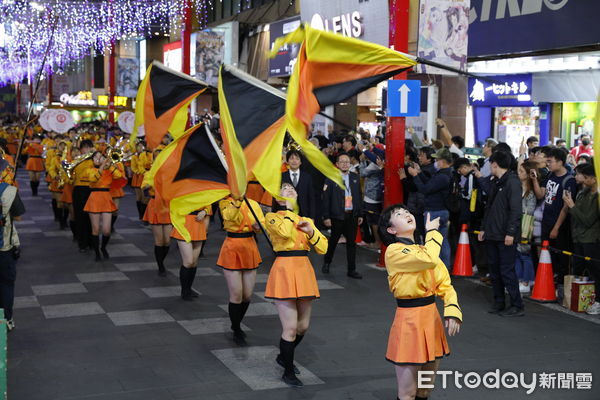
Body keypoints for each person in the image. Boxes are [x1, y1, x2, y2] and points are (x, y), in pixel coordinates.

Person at [379, 206, 462, 400]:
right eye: (398, 214)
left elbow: (445, 284)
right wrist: (432, 231)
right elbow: (430, 259)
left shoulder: (424, 249)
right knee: (407, 393)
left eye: (406, 211)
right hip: (409, 322)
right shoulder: (394, 251)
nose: (406, 214)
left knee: (424, 390)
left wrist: (452, 310)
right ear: (391, 230)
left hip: (431, 320)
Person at [264, 183, 328, 387]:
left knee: (303, 326)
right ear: (278, 198)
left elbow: (323, 247)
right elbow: (284, 233)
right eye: (284, 189)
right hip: (284, 269)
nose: (289, 190)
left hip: (303, 270)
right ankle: (288, 371)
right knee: (290, 328)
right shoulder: (272, 217)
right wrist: (291, 212)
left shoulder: (306, 220)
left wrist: (310, 232)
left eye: (292, 188)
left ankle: (284, 356)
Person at [478, 151, 524, 317]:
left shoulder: (512, 182)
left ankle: (516, 304)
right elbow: (489, 207)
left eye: (491, 163)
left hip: (505, 235)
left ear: (495, 164)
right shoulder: (497, 182)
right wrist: (484, 228)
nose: (490, 166)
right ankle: (499, 302)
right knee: (495, 270)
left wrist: (511, 232)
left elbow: (516, 210)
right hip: (492, 233)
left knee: (506, 271)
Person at [217, 196, 264, 344]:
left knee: (247, 295)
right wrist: (237, 202)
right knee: (236, 295)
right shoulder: (225, 202)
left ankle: (236, 322)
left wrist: (258, 227)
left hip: (249, 246)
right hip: (232, 246)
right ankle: (236, 328)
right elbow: (229, 217)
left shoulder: (253, 203)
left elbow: (261, 225)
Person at [563, 163, 600, 315]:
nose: (576, 176)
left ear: (592, 178)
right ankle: (578, 298)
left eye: (579, 174)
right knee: (578, 268)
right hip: (578, 237)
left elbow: (587, 220)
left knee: (595, 271)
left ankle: (597, 301)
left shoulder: (596, 197)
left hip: (591, 239)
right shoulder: (583, 192)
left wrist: (571, 205)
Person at [407, 148, 453, 269]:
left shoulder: (443, 176)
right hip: (441, 211)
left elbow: (425, 189)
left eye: (437, 159)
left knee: (433, 241)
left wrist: (415, 176)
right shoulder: (444, 174)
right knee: (442, 241)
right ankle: (444, 267)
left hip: (434, 212)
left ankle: (435, 267)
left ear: (442, 161)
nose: (435, 162)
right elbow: (430, 184)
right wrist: (420, 173)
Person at [321, 153, 364, 279]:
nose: (345, 164)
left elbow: (358, 197)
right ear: (337, 164)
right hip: (337, 215)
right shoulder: (331, 178)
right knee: (333, 241)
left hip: (352, 215)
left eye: (347, 162)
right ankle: (327, 262)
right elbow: (326, 199)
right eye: (342, 162)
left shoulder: (355, 178)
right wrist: (326, 217)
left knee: (351, 243)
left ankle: (352, 269)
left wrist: (360, 213)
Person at [540, 148, 577, 284]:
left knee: (561, 258)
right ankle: (548, 282)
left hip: (559, 225)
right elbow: (541, 195)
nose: (548, 164)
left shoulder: (569, 181)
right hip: (546, 221)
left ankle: (560, 285)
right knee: (547, 254)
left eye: (550, 161)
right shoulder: (550, 175)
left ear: (560, 162)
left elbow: (565, 208)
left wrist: (556, 227)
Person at [83, 151, 123, 261]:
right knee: (95, 229)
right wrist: (101, 166)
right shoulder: (89, 170)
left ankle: (103, 247)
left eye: (101, 157)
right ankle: (96, 252)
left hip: (106, 198)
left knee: (106, 230)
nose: (98, 159)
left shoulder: (108, 170)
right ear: (92, 160)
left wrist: (109, 166)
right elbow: (93, 179)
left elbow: (119, 176)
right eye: (96, 157)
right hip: (94, 198)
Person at [172, 206, 211, 300]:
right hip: (184, 224)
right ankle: (184, 291)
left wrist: (205, 211)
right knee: (188, 261)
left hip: (198, 224)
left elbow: (208, 204)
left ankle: (188, 289)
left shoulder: (203, 192)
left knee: (194, 262)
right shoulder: (181, 191)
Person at [0, 178, 24, 331]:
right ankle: (7, 320)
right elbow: (18, 216)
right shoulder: (8, 190)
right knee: (6, 284)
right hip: (4, 248)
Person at [516, 161, 538, 294]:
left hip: (526, 224)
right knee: (516, 253)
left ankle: (527, 280)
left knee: (525, 253)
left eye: (522, 171)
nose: (519, 173)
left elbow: (530, 210)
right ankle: (519, 279)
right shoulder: (517, 187)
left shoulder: (530, 192)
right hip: (516, 223)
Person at [72, 140, 95, 252]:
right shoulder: (76, 160)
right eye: (84, 148)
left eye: (89, 147)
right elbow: (70, 176)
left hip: (92, 190)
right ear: (81, 149)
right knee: (80, 217)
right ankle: (82, 243)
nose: (86, 150)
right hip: (79, 189)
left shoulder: (95, 160)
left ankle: (92, 242)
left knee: (92, 217)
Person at [280, 149, 315, 219]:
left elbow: (311, 198)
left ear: (300, 162)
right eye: (291, 158)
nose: (294, 161)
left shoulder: (307, 177)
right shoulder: (282, 177)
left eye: (297, 159)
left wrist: (312, 217)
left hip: (304, 214)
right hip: (287, 213)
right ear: (287, 161)